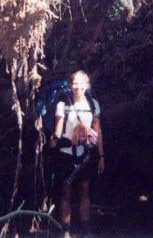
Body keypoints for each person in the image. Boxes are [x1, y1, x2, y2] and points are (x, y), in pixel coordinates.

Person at [49, 70, 105, 238]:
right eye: (75, 83)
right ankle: (65, 231)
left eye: (82, 83)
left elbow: (98, 132)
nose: (78, 87)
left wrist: (102, 156)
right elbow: (58, 130)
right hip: (66, 154)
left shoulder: (93, 105)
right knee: (66, 191)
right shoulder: (62, 104)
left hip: (85, 155)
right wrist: (55, 140)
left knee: (84, 190)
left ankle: (85, 231)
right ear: (70, 85)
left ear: (87, 85)